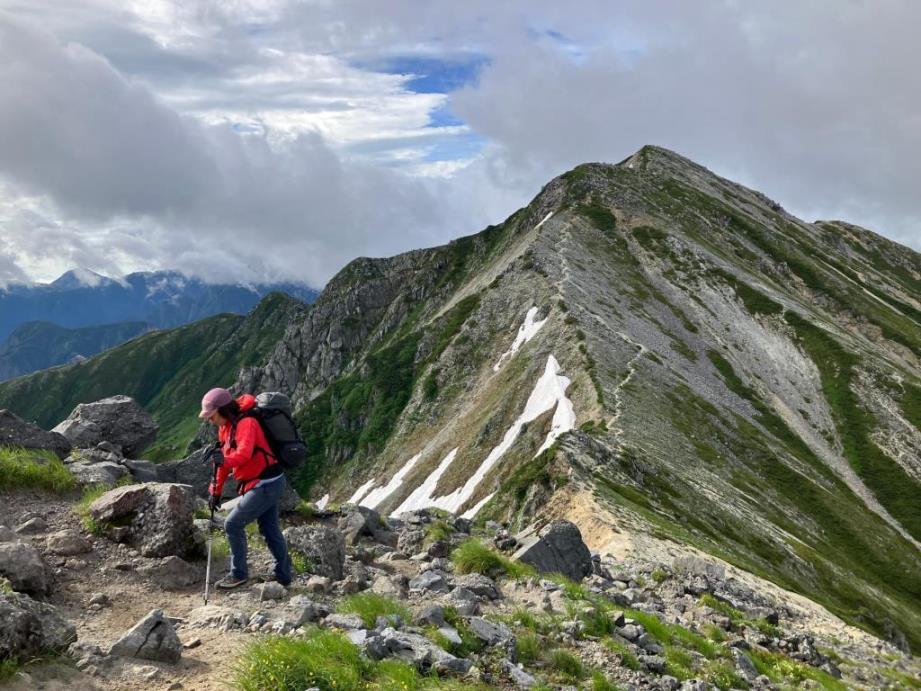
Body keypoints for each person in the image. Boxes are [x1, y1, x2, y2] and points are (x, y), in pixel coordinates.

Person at [200, 387, 292, 589]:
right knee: (269, 530)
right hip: (261, 483)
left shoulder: (247, 423)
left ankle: (238, 574)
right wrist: (215, 492)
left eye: (211, 415)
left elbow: (243, 455)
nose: (209, 420)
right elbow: (223, 464)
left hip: (266, 483)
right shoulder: (225, 428)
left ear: (223, 410)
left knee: (232, 524)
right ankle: (284, 575)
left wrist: (223, 458)